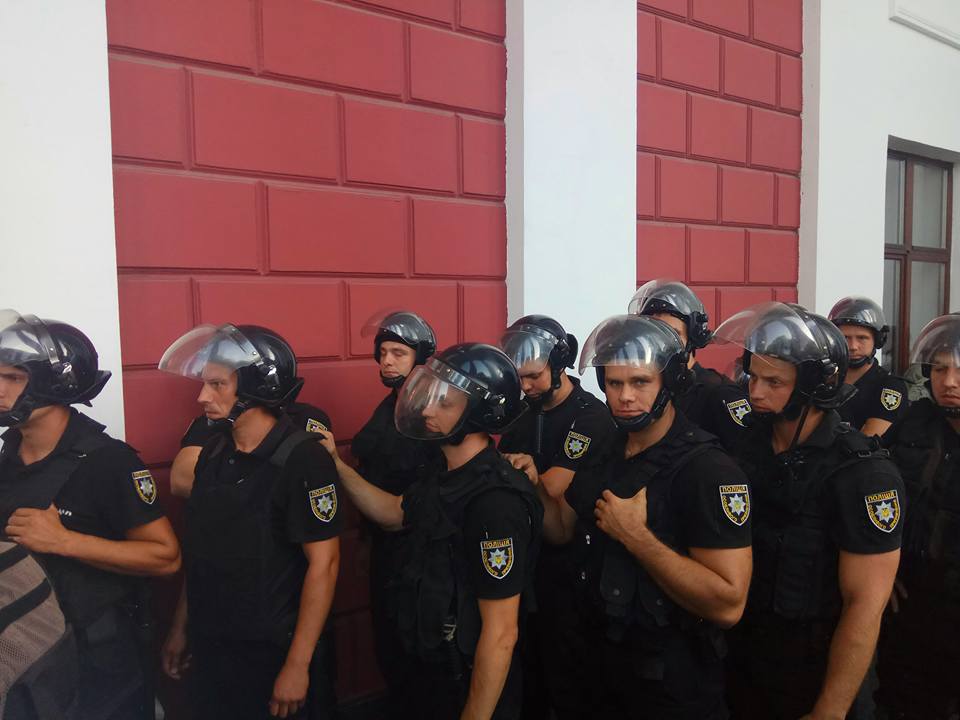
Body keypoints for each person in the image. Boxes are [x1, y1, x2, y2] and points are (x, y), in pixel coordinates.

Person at [534, 314, 752, 719]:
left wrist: (637, 537)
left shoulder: (707, 470)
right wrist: (531, 486)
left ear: (669, 383)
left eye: (640, 382)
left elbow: (728, 604)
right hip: (598, 672)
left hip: (670, 687)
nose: (625, 397)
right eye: (614, 383)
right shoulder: (607, 450)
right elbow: (562, 528)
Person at [317, 343, 542, 720]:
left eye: (445, 404)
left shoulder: (495, 502)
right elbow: (394, 514)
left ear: (480, 412)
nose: (426, 410)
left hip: (467, 685)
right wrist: (338, 467)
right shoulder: (441, 475)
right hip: (429, 677)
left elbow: (501, 633)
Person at [713, 302, 903, 720]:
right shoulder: (746, 449)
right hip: (747, 664)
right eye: (753, 377)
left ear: (814, 386)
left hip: (818, 671)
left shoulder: (863, 474)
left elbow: (864, 605)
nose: (756, 392)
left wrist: (829, 710)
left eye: (774, 382)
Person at [0, 310, 181, 719]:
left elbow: (166, 557)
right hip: (32, 662)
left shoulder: (108, 462)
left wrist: (64, 541)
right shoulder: (8, 457)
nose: (0, 388)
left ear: (56, 382)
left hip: (99, 667)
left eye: (13, 377)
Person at [158, 323, 340, 720]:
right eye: (205, 383)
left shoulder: (303, 460)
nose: (202, 396)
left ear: (259, 388)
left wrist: (297, 666)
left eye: (217, 385)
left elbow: (324, 565)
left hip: (271, 650)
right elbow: (203, 550)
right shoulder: (213, 453)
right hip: (214, 644)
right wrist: (180, 627)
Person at [496, 314, 614, 719]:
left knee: (568, 678)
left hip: (573, 568)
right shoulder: (522, 415)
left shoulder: (589, 417)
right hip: (528, 564)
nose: (526, 386)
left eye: (533, 376)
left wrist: (523, 476)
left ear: (560, 363)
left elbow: (556, 486)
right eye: (520, 378)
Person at [351, 310, 442, 717]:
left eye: (398, 353)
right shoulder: (388, 407)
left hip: (421, 550)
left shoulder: (433, 412)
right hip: (384, 548)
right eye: (383, 353)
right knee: (388, 645)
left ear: (420, 358)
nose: (387, 361)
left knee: (416, 650)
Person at [877, 313, 960, 719]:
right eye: (939, 369)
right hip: (909, 602)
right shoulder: (913, 423)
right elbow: (873, 489)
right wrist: (879, 570)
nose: (949, 382)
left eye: (959, 370)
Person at [629, 279, 751, 451]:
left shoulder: (719, 394)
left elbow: (746, 459)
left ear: (693, 337)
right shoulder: (648, 389)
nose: (662, 342)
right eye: (654, 332)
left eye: (673, 333)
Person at [170, 402, 332, 499]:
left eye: (218, 384)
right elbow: (181, 481)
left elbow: (318, 480)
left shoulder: (307, 418)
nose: (204, 396)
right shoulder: (213, 420)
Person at [828, 295, 908, 436]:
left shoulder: (890, 387)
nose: (853, 346)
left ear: (878, 341)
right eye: (845, 338)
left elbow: (866, 441)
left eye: (862, 338)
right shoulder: (824, 380)